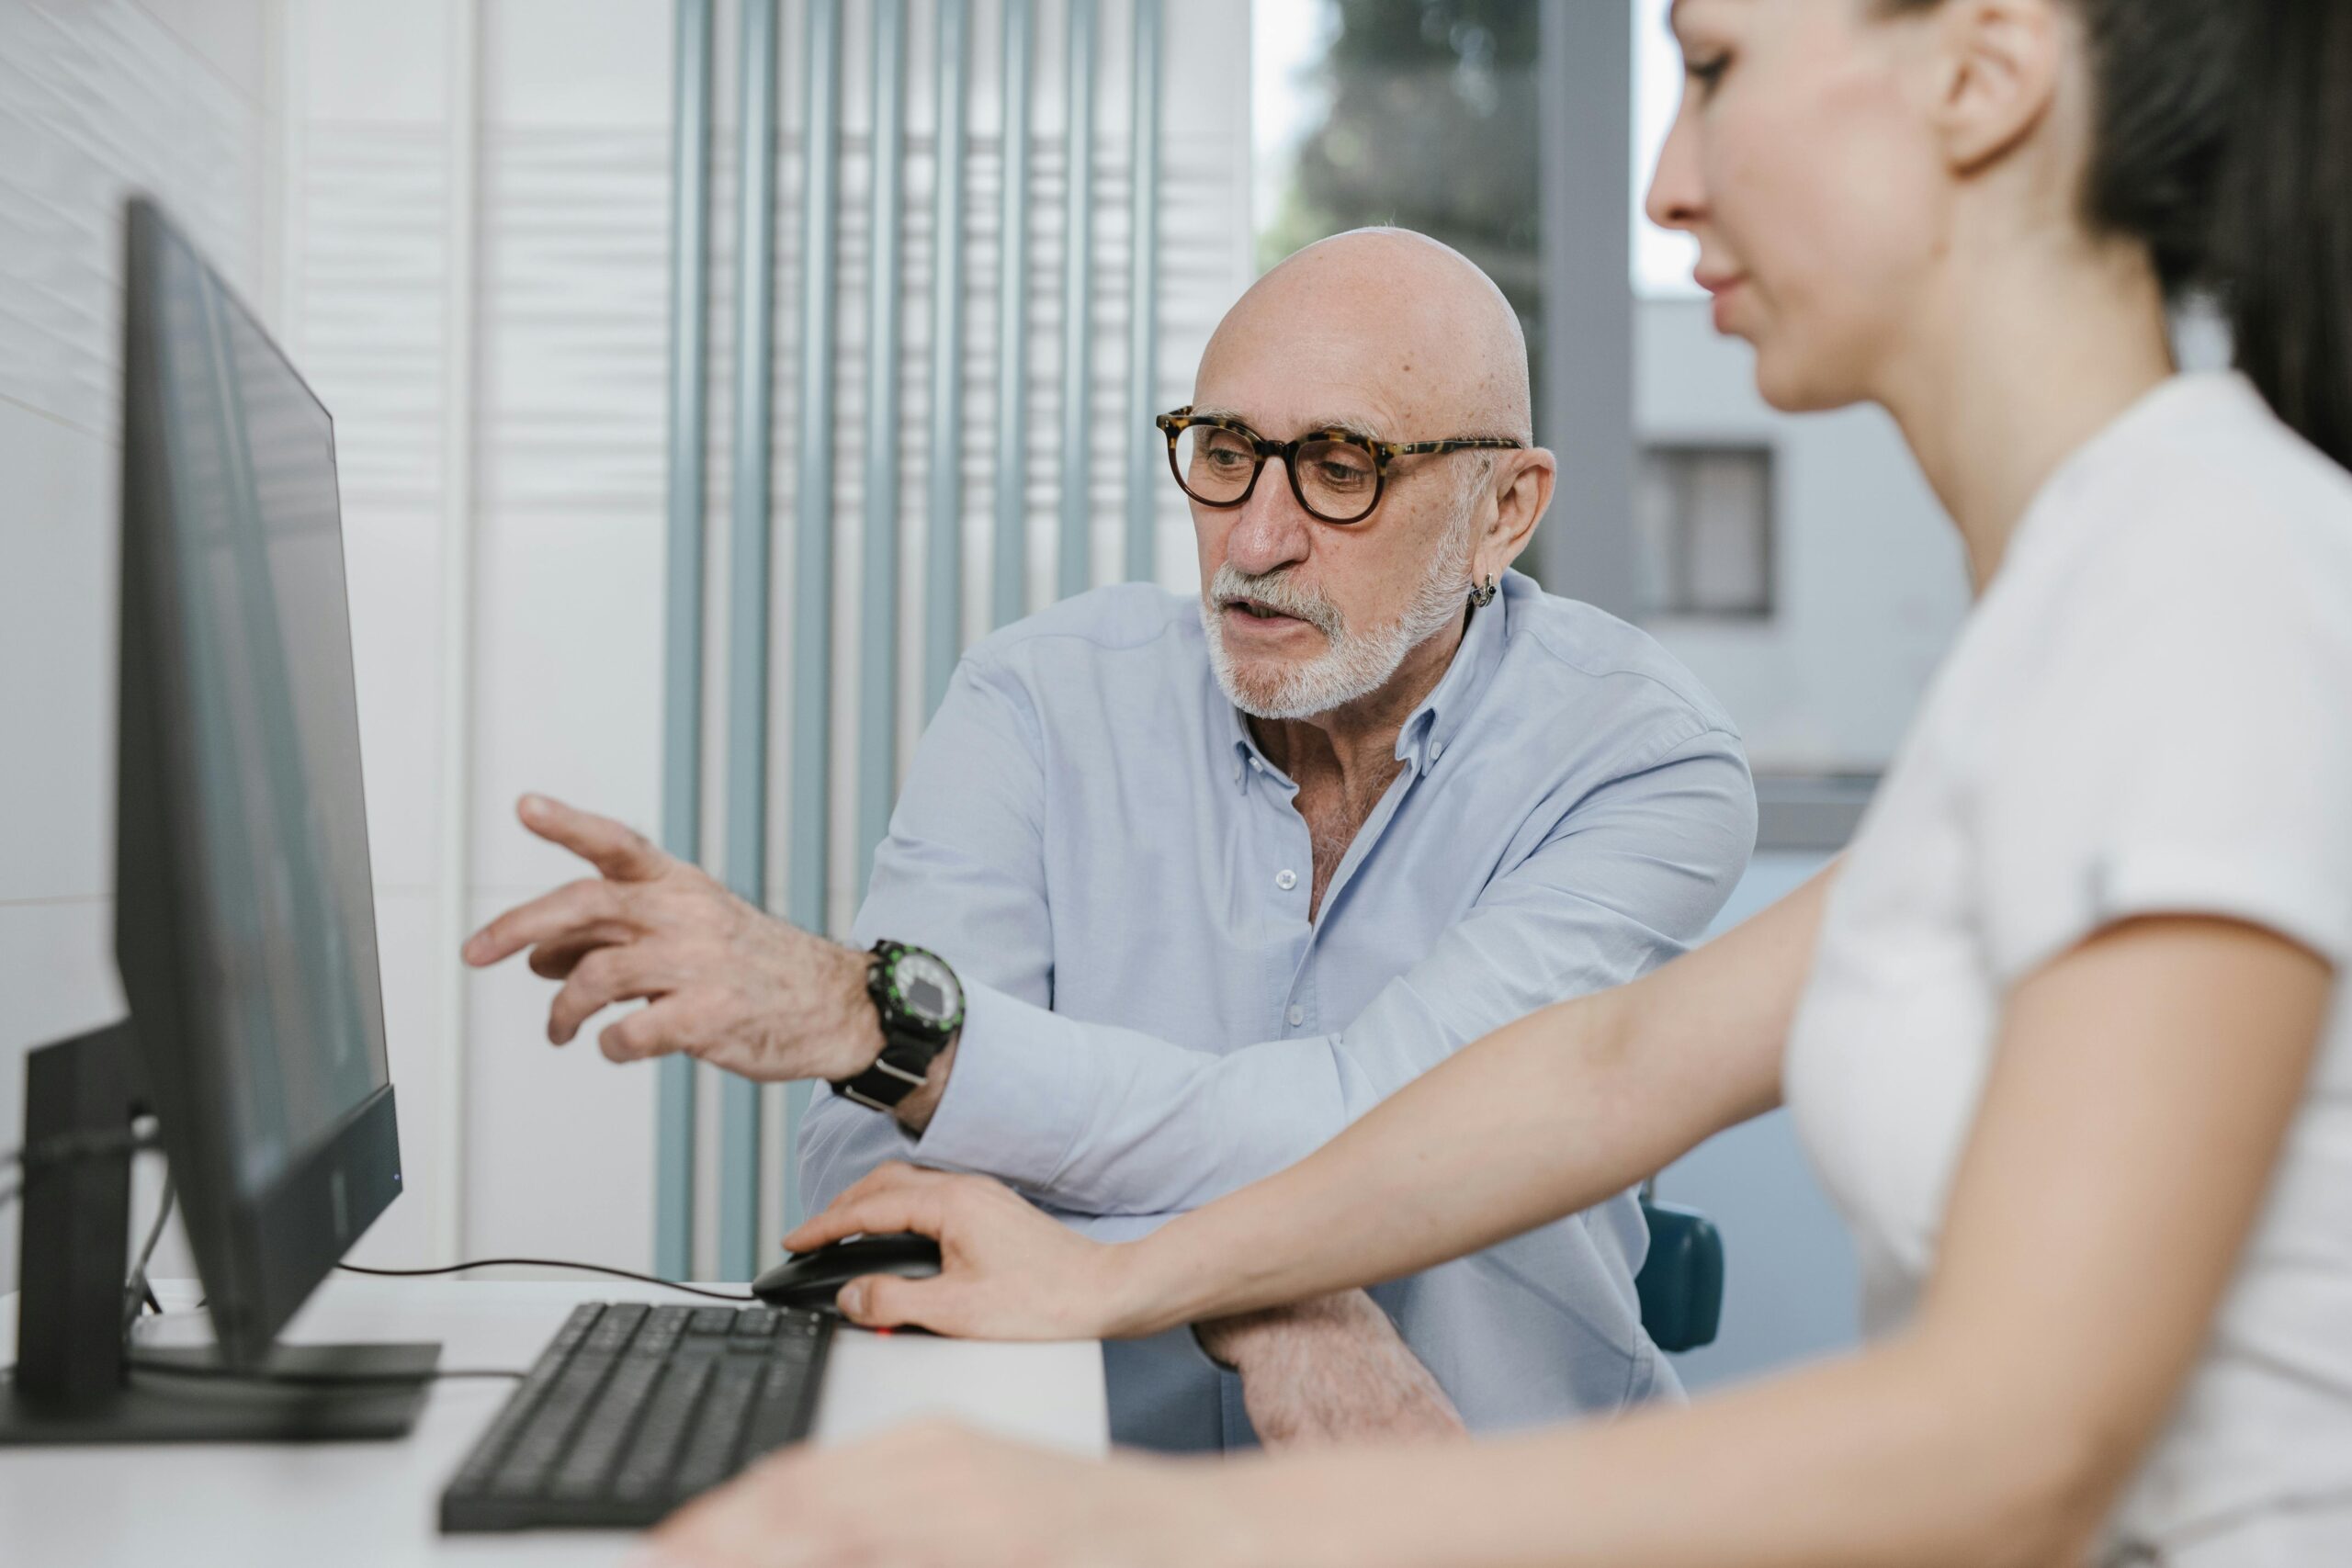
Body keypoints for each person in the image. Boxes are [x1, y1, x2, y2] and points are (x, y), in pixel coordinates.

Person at [631, 0, 2352, 1563]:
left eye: (1717, 67)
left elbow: (2018, 1445)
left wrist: (1134, 1527)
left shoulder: (2198, 573)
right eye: (1226, 457)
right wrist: (1149, 1281)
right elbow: (1600, 1077)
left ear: (1984, 74)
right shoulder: (2073, 611)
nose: (1668, 185)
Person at [463, 231, 1758, 1450]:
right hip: (1082, 1502)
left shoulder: (1640, 763)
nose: (1254, 538)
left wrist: (892, 1029)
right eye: (1225, 449)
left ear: (1503, 510)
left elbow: (1388, 1129)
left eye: (1344, 468)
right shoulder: (1038, 699)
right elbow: (881, 1171)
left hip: (1497, 1505)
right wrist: (1271, 1295)